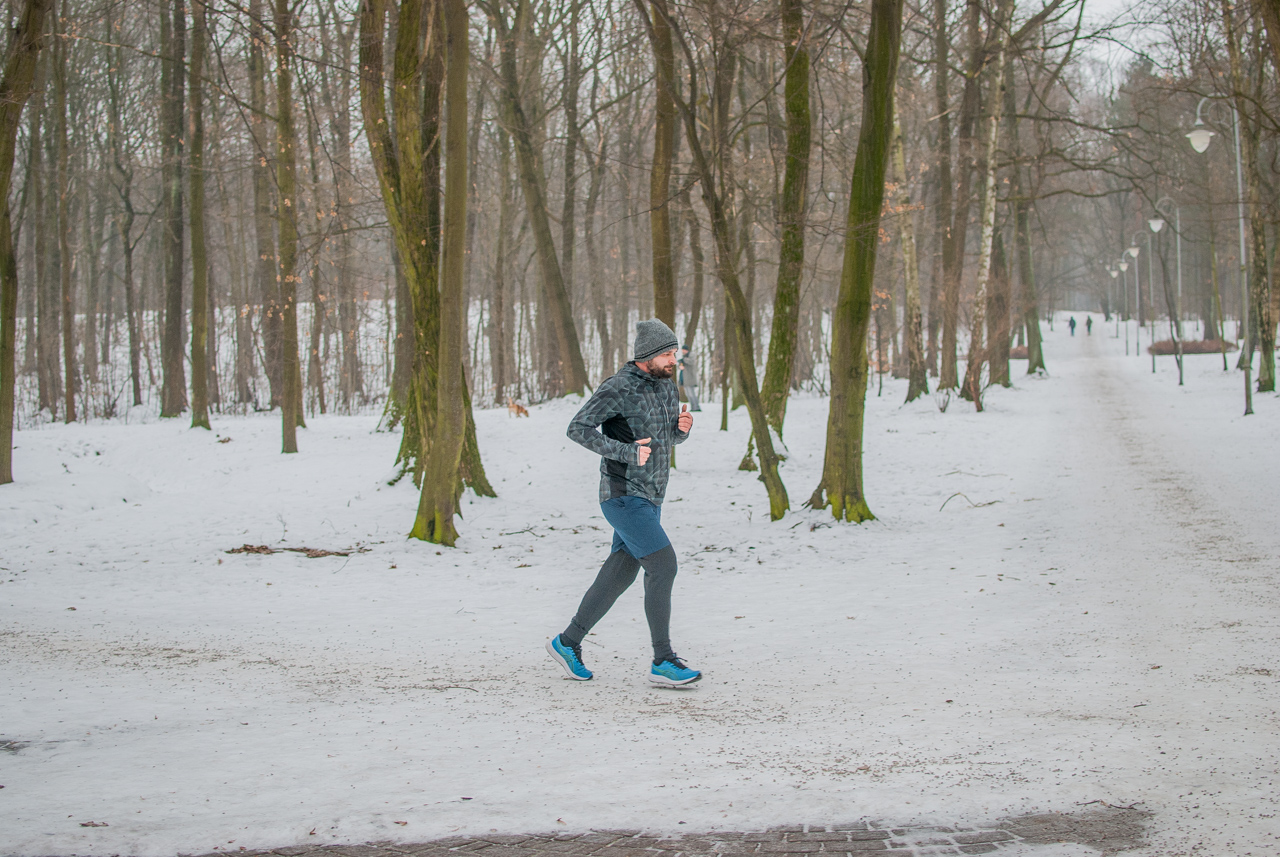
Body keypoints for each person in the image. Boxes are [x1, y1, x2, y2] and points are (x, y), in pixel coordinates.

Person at [546, 318, 702, 687]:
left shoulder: (666, 386)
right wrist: (624, 451)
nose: (673, 360)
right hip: (622, 495)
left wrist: (679, 432)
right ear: (646, 355)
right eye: (666, 353)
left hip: (652, 496)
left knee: (621, 573)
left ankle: (567, 642)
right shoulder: (617, 387)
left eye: (674, 352)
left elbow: (663, 440)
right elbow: (577, 428)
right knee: (663, 565)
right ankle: (662, 660)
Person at [677, 345, 702, 412]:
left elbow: (691, 362)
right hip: (685, 379)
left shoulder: (691, 355)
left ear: (686, 350)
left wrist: (683, 360)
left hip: (690, 378)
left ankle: (696, 407)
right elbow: (680, 366)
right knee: (688, 394)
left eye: (684, 350)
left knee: (692, 394)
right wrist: (680, 364)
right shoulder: (684, 357)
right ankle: (693, 407)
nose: (683, 351)